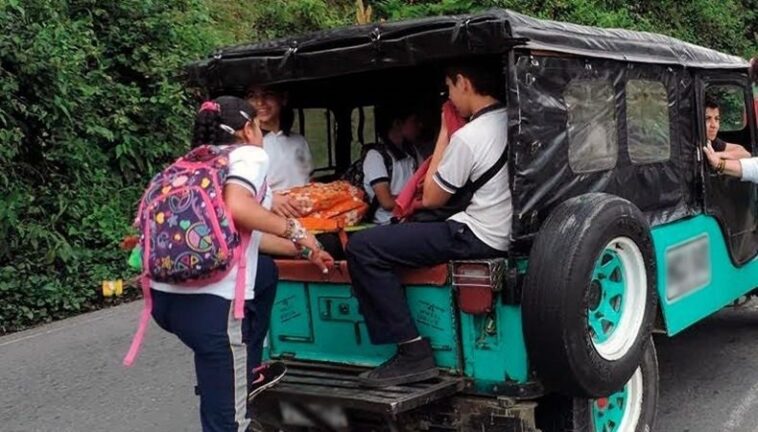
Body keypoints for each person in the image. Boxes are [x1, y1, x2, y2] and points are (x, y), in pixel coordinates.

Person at [149, 96, 333, 432]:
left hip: (165, 299)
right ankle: (240, 370)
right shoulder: (248, 154)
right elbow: (239, 209)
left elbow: (248, 233)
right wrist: (297, 230)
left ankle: (250, 365)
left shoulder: (196, 163)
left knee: (265, 273)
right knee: (229, 420)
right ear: (248, 129)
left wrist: (306, 250)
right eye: (259, 129)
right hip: (213, 308)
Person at [345, 61, 511, 387]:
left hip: (476, 233)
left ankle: (412, 353)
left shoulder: (470, 136)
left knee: (364, 246)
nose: (449, 96)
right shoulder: (514, 120)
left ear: (462, 82)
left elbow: (434, 196)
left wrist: (446, 133)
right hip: (503, 229)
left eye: (449, 88)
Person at [247, 86, 313, 218]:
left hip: (304, 212)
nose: (260, 103)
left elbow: (308, 179)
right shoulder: (245, 145)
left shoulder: (299, 141)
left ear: (283, 98)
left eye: (268, 94)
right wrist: (270, 199)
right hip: (268, 217)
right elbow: (239, 192)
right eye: (252, 96)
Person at [362, 105, 423, 224]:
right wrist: (420, 201)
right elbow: (387, 202)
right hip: (386, 224)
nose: (419, 125)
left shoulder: (412, 153)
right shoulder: (376, 156)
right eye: (414, 121)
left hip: (410, 218)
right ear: (397, 124)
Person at [702, 96, 757, 183]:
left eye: (716, 119)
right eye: (707, 119)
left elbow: (746, 154)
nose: (714, 125)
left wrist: (718, 155)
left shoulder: (713, 142)